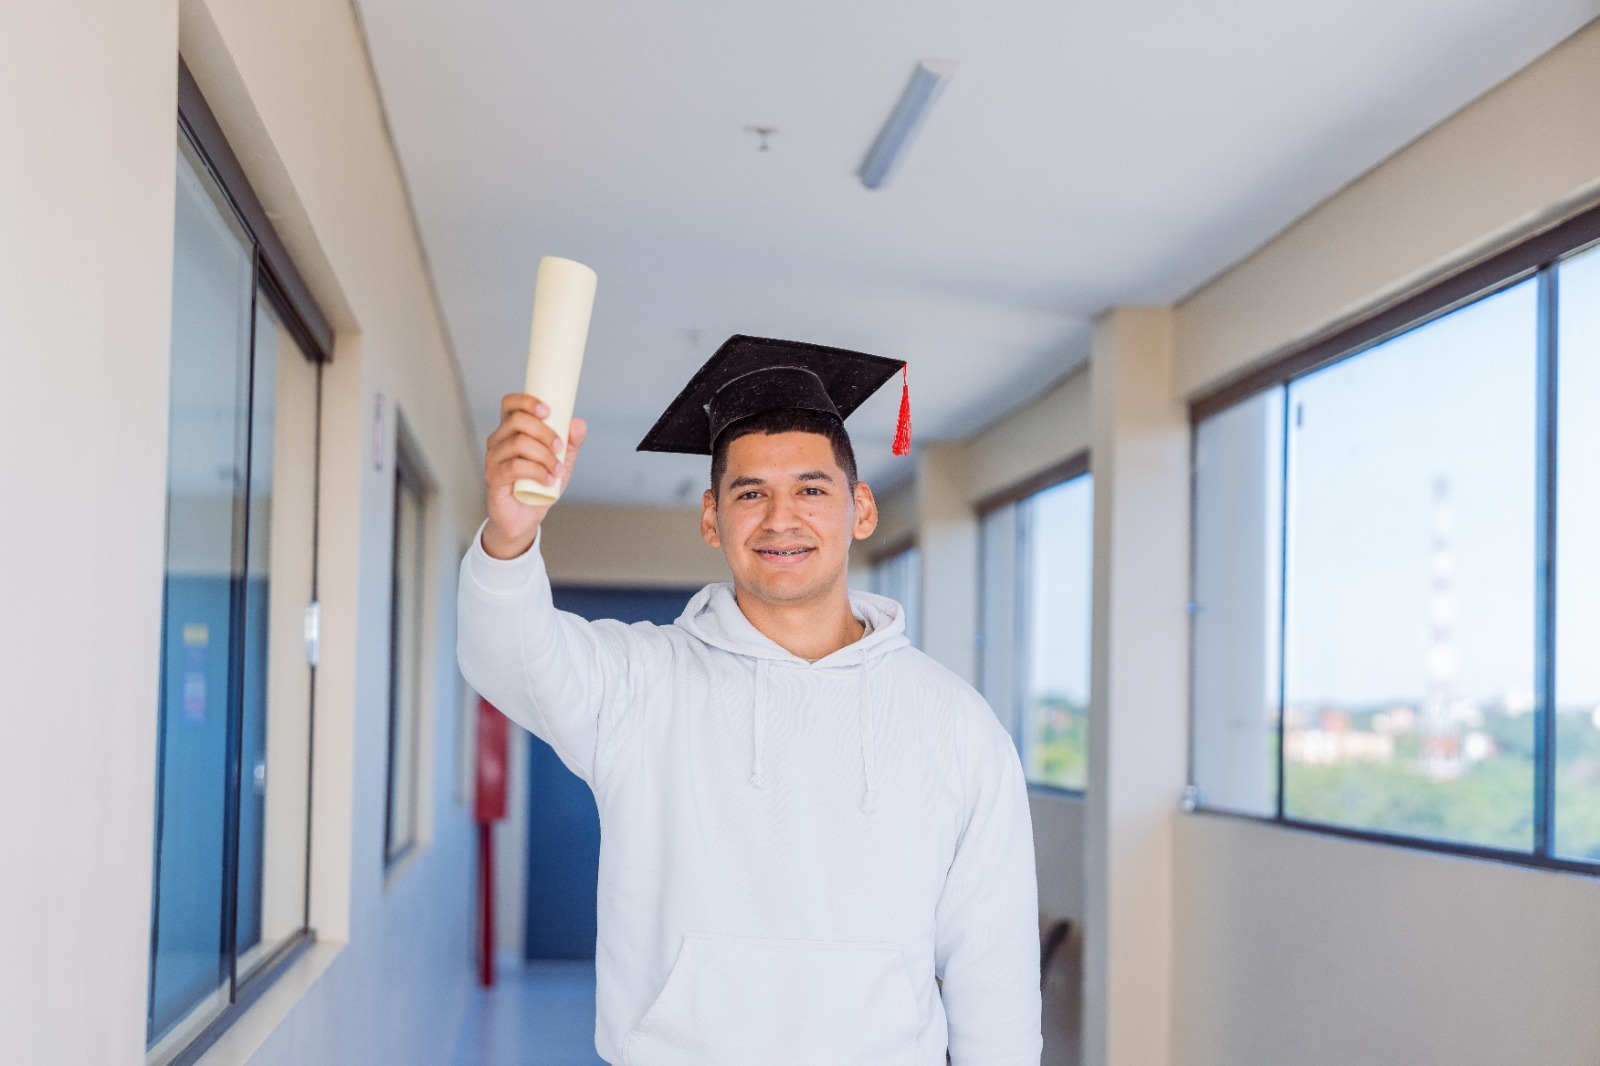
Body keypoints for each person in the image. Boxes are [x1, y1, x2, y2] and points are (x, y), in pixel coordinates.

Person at [458, 335, 1042, 1065]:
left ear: (860, 508)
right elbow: (506, 654)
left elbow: (995, 968)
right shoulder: (641, 683)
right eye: (750, 493)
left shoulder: (954, 722)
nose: (780, 519)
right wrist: (511, 534)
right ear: (712, 518)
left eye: (810, 489)